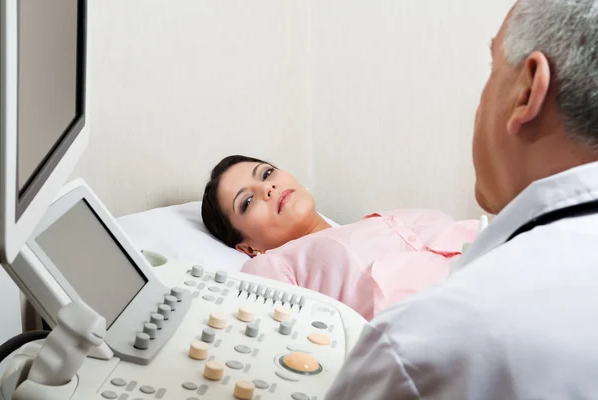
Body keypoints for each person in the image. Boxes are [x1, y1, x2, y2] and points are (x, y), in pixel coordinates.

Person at [324, 0, 598, 398]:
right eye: (246, 201)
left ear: (526, 91)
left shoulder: (426, 345)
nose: (271, 189)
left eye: (493, 70)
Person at [202, 155, 479, 320]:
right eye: (248, 201)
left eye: (266, 173)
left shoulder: (376, 219)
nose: (268, 188)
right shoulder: (271, 267)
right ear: (248, 247)